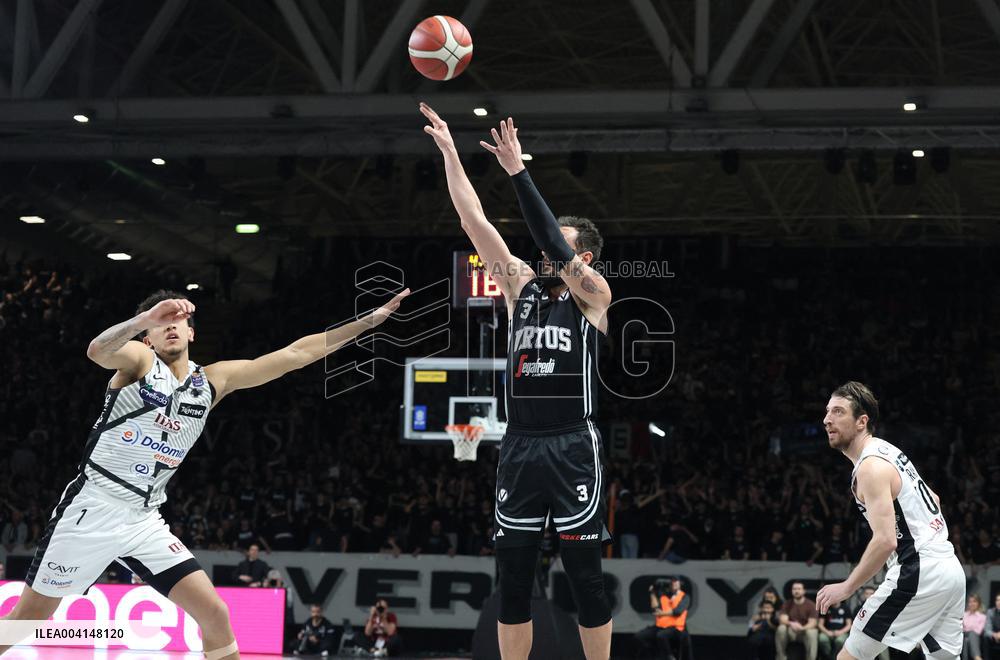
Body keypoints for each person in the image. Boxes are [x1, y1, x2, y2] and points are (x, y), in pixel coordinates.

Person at [0, 287, 408, 660]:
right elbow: (97, 351)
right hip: (93, 508)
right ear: (149, 337)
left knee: (215, 612)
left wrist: (366, 323)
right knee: (29, 617)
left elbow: (295, 355)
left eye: (178, 320)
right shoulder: (140, 363)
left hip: (143, 519)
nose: (171, 326)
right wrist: (145, 318)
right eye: (162, 323)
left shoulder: (211, 382)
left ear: (191, 333)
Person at [420, 103, 613, 660]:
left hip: (574, 445)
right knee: (514, 582)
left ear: (585, 255)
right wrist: (453, 155)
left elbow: (551, 240)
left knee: (584, 578)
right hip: (521, 446)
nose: (546, 247)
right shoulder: (519, 288)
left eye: (562, 241)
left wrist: (518, 174)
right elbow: (474, 221)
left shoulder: (594, 297)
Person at [816, 382, 965, 660]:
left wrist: (847, 587)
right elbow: (934, 499)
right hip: (949, 569)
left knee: (850, 656)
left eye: (838, 412)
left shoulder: (870, 467)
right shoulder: (887, 450)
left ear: (862, 421)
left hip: (918, 571)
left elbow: (885, 540)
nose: (827, 419)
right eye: (827, 412)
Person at [634, 577, 690, 659]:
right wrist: (652, 593)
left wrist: (662, 613)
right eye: (672, 582)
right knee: (639, 637)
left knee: (661, 635)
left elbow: (678, 611)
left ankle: (670, 657)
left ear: (680, 584)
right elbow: (655, 608)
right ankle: (653, 655)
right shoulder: (664, 596)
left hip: (676, 627)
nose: (673, 584)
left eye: (676, 582)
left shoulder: (684, 597)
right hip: (661, 626)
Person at [776, 581, 818, 660]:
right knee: (781, 628)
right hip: (791, 631)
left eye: (799, 589)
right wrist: (791, 623)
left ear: (803, 591)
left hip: (804, 631)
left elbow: (813, 623)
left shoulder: (811, 605)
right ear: (792, 591)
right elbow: (782, 619)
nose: (796, 591)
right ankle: (781, 657)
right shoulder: (787, 604)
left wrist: (802, 628)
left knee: (812, 632)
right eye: (794, 589)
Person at [964, 594, 986, 660]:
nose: (972, 604)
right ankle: (977, 657)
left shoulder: (982, 617)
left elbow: (978, 631)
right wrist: (971, 628)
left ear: (978, 603)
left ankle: (977, 657)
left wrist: (967, 629)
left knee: (969, 638)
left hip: (975, 637)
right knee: (966, 638)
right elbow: (960, 628)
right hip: (963, 635)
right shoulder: (964, 615)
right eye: (970, 602)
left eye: (974, 601)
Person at [984, 594, 1000, 660]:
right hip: (993, 638)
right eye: (997, 600)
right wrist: (995, 635)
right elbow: (987, 629)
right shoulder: (990, 612)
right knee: (985, 636)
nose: (999, 602)